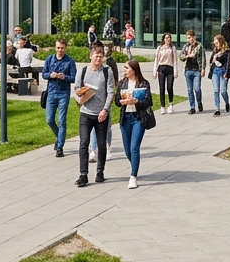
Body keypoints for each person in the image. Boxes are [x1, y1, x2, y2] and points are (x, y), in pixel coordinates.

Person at [74, 43, 115, 187]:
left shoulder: (107, 71)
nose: (99, 59)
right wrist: (80, 94)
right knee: (84, 143)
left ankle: (100, 172)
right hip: (86, 112)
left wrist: (105, 109)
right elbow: (76, 89)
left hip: (101, 113)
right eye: (96, 56)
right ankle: (83, 174)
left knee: (101, 144)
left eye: (101, 56)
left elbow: (111, 91)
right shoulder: (83, 71)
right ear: (90, 56)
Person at [117, 59, 153, 189]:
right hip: (125, 118)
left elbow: (149, 102)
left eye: (127, 68)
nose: (125, 70)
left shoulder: (144, 83)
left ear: (134, 69)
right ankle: (135, 166)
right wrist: (122, 101)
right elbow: (116, 101)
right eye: (124, 68)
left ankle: (133, 176)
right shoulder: (122, 83)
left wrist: (136, 101)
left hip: (138, 118)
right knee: (127, 151)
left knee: (134, 148)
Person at [41, 39, 76, 157]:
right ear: (55, 47)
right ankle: (59, 137)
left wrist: (64, 77)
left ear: (65, 48)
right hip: (51, 93)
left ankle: (60, 147)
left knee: (62, 120)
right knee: (49, 120)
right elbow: (44, 74)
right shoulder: (49, 59)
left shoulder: (70, 61)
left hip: (63, 94)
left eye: (62, 48)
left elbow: (73, 78)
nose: (60, 50)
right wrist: (50, 75)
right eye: (58, 48)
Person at [153, 33, 177, 114]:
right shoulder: (160, 48)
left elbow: (175, 60)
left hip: (170, 68)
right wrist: (155, 71)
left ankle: (171, 104)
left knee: (169, 87)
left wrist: (175, 71)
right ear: (163, 39)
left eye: (169, 37)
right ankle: (162, 106)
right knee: (161, 88)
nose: (168, 39)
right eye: (166, 38)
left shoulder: (172, 48)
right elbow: (156, 60)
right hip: (161, 68)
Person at [209, 35, 230, 115]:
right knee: (216, 90)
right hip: (215, 71)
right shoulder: (215, 51)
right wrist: (211, 62)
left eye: (217, 42)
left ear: (221, 42)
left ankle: (227, 102)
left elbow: (228, 63)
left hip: (223, 71)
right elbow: (211, 60)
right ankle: (217, 109)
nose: (215, 44)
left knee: (223, 91)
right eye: (215, 43)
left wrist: (226, 73)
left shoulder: (227, 51)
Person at [182, 30, 203, 114]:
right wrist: (187, 56)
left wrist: (203, 69)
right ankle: (192, 107)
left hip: (196, 70)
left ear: (194, 37)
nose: (189, 39)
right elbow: (181, 56)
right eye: (187, 38)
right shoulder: (186, 46)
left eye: (190, 37)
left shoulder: (199, 45)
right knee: (190, 90)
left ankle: (199, 102)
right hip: (188, 70)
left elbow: (199, 55)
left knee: (197, 89)